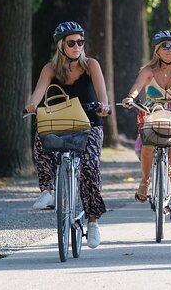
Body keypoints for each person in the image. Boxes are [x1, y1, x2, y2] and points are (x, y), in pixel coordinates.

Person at [25, 22, 110, 249]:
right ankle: (48, 191)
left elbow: (103, 94)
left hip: (89, 124)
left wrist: (105, 105)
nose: (77, 46)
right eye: (71, 43)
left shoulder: (91, 65)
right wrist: (32, 105)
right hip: (60, 123)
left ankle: (92, 222)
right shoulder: (51, 69)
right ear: (61, 45)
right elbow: (38, 93)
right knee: (41, 137)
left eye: (80, 42)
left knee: (90, 166)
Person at [121, 30, 171, 222]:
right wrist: (130, 98)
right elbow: (136, 87)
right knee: (148, 146)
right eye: (165, 46)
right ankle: (145, 181)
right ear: (157, 50)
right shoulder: (148, 70)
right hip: (152, 113)